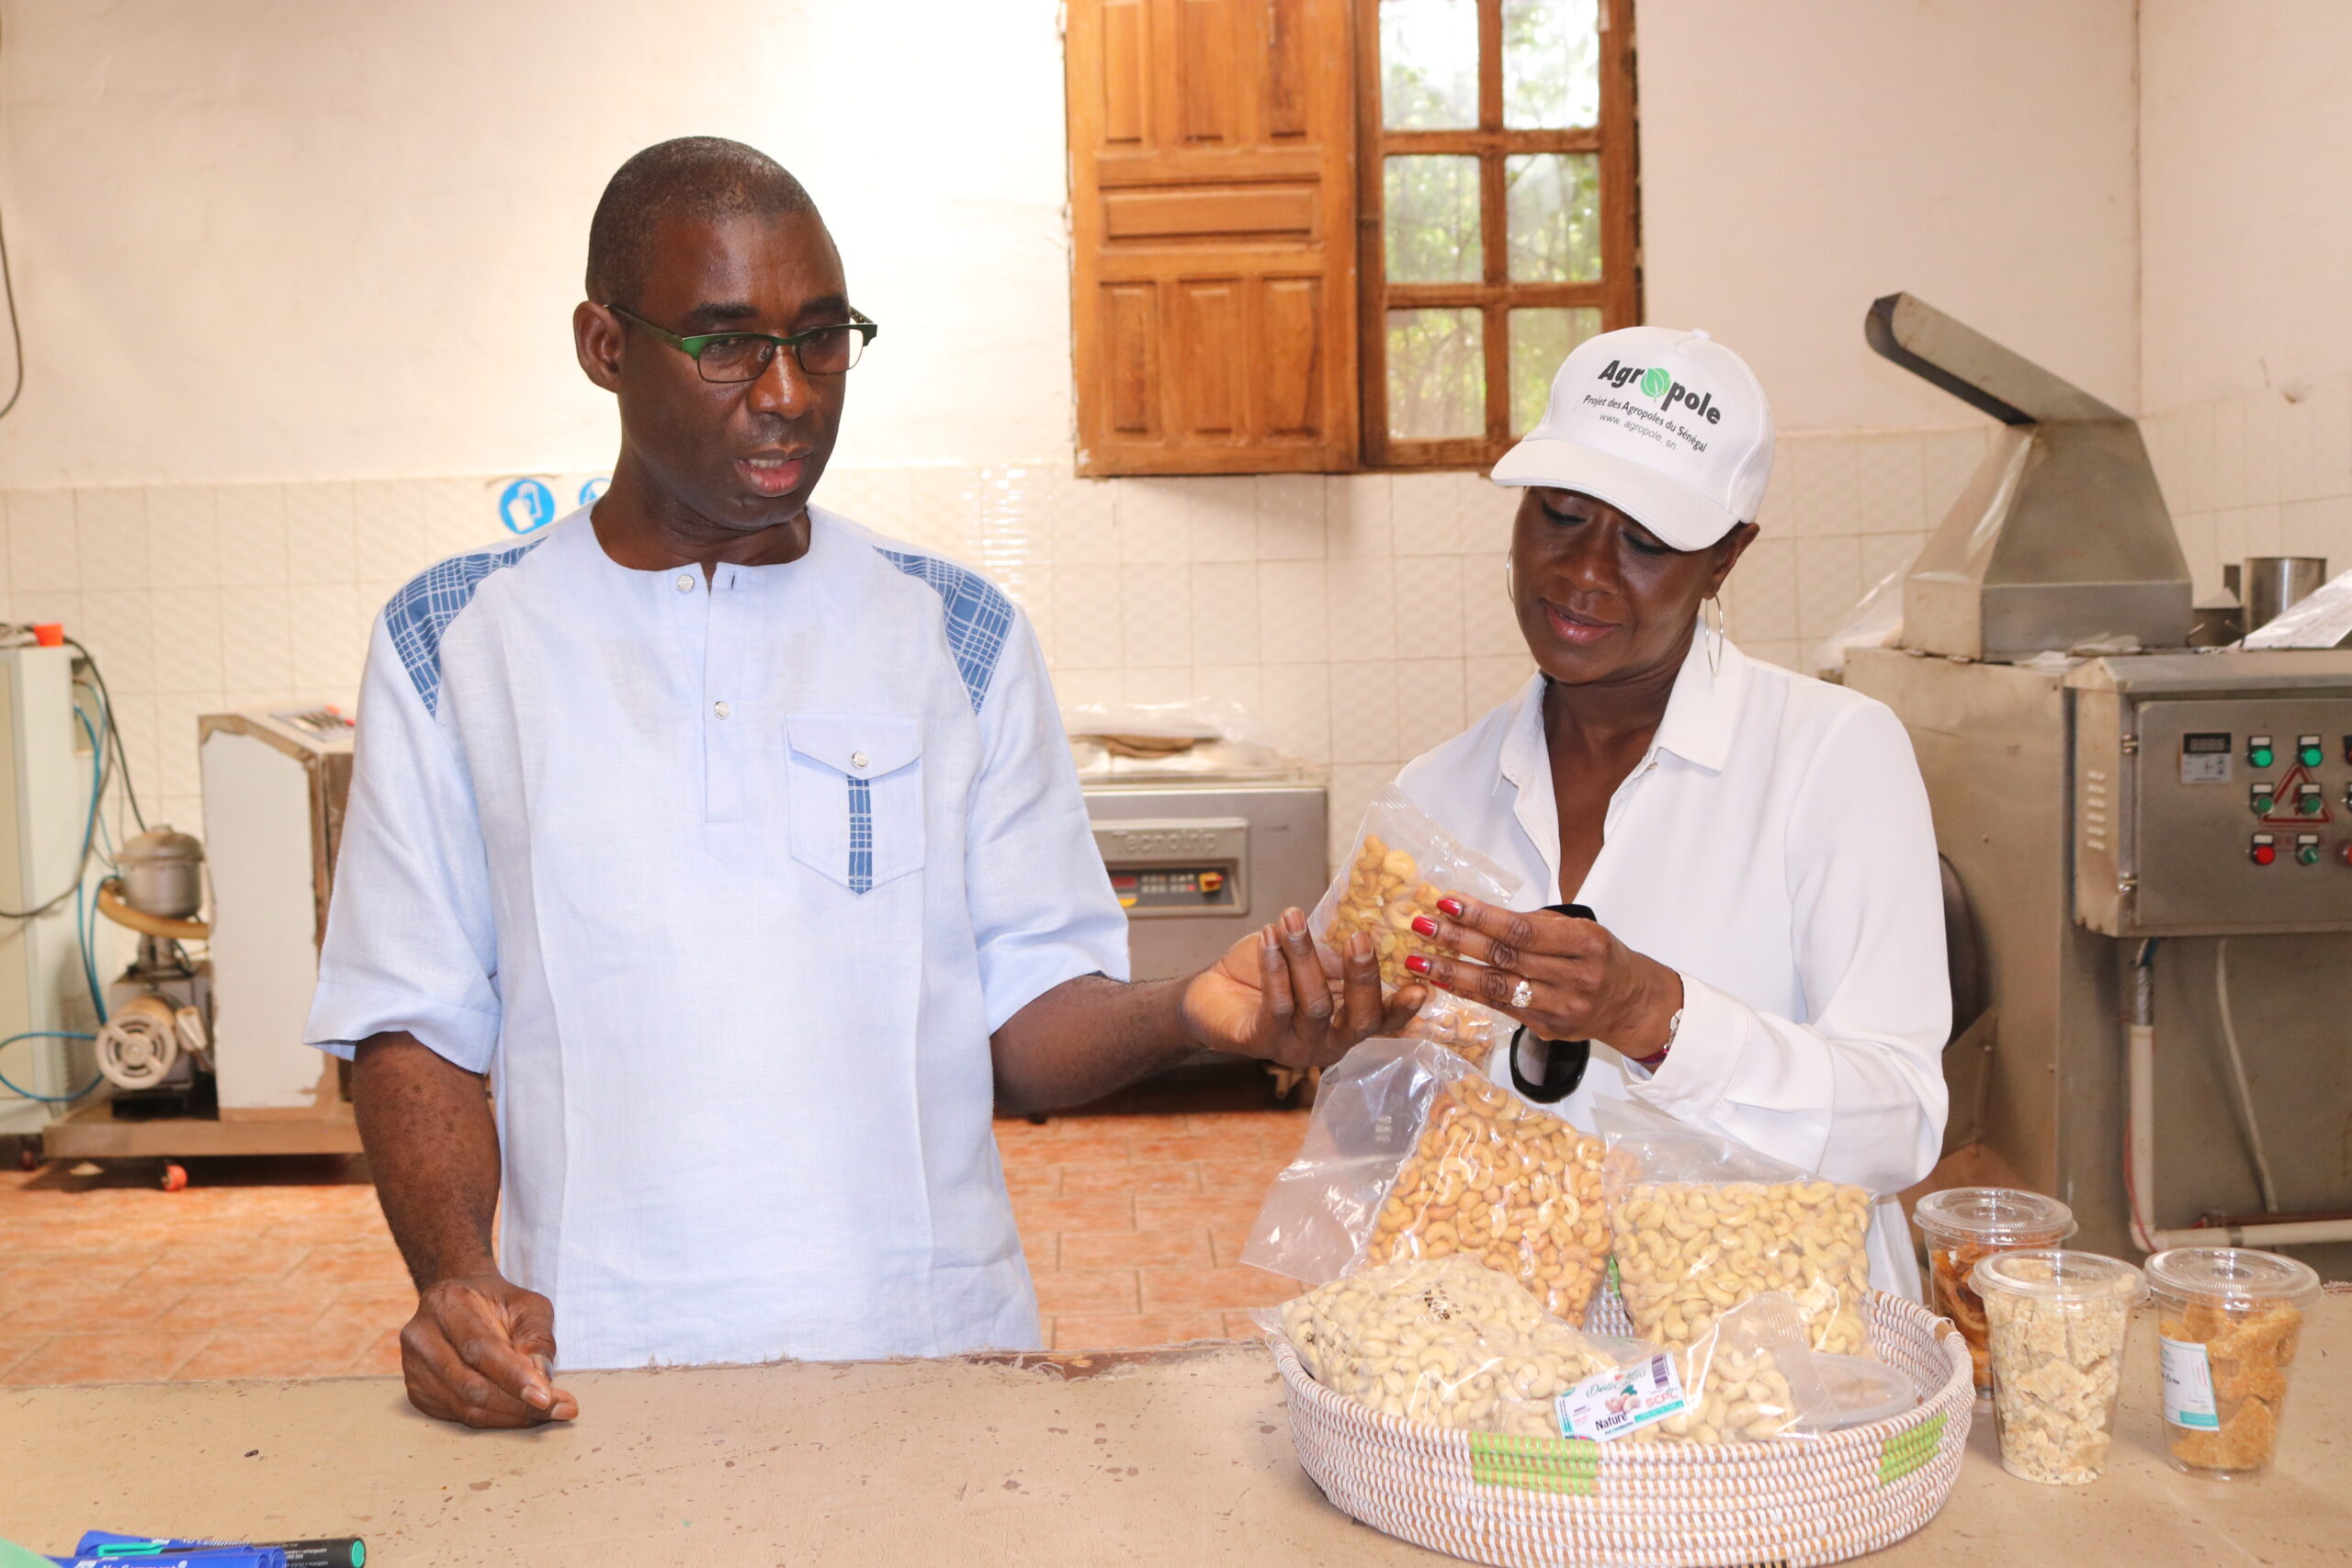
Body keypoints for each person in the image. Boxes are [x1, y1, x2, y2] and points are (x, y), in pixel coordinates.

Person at [306, 138, 1419, 1429]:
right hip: (592, 1362)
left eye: (822, 337)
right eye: (726, 343)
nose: (787, 390)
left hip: (929, 1354)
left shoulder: (954, 632)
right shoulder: (458, 639)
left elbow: (1030, 1024)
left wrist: (1189, 1011)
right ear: (605, 345)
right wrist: (457, 1276)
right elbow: (414, 1019)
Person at [1390, 325, 1949, 1299]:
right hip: (1511, 1360)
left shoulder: (1830, 754)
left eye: (1647, 542)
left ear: (1727, 557)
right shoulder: (1432, 796)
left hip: (1775, 1371)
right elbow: (1393, 1127)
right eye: (1560, 515)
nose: (1586, 572)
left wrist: (1655, 1015)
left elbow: (1899, 1121)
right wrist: (1344, 1034)